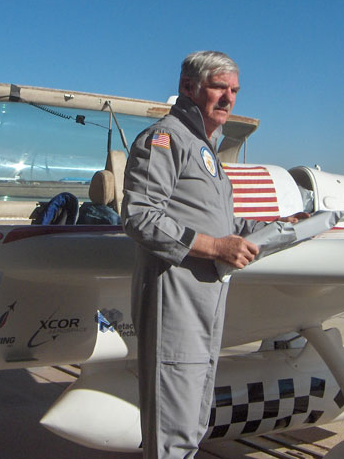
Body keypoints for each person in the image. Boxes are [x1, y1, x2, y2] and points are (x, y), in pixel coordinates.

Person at [123, 51, 288, 458]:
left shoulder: (205, 150)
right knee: (173, 424)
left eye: (234, 90)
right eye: (219, 87)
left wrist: (289, 225)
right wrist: (215, 247)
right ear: (188, 87)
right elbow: (141, 217)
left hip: (206, 299)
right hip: (174, 295)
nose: (228, 98)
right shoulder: (164, 139)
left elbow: (222, 227)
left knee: (193, 419)